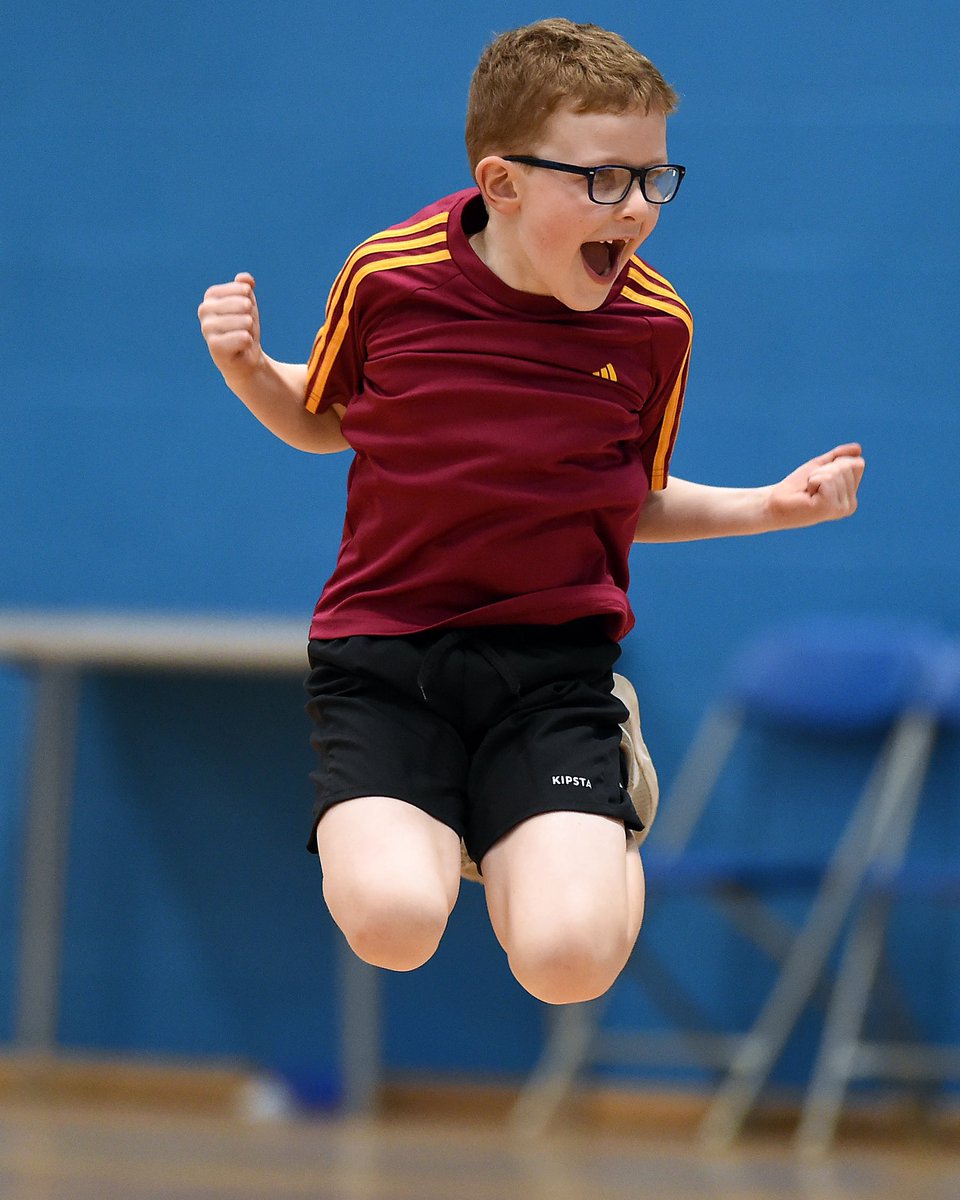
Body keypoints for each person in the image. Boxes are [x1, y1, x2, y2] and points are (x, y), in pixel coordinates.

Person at [197, 19, 864, 1006]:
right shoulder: (388, 275)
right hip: (386, 658)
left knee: (567, 963)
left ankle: (593, 817)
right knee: (394, 926)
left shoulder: (654, 328)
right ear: (502, 182)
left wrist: (769, 506)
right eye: (603, 180)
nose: (635, 209)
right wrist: (248, 369)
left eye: (655, 179)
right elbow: (329, 422)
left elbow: (623, 503)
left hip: (550, 674)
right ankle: (466, 824)